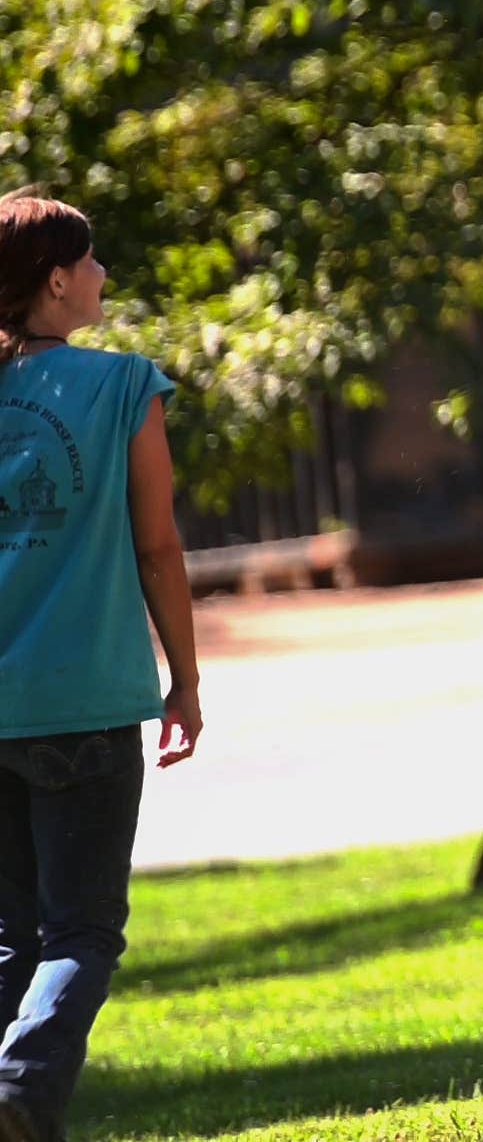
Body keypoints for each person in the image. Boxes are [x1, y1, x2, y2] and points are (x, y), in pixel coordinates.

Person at [0, 196, 202, 1142]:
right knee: (80, 931)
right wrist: (186, 681)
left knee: (7, 937)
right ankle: (23, 1092)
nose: (103, 277)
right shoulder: (124, 386)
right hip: (84, 703)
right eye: (90, 263)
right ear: (54, 280)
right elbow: (158, 546)